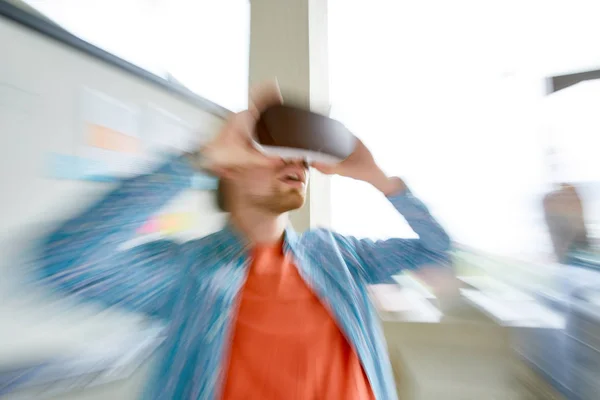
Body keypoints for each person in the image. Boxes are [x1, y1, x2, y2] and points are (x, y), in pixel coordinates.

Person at [36, 82, 451, 400]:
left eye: (302, 154)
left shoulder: (340, 256)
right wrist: (197, 159)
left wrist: (378, 178)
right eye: (277, 148)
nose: (298, 161)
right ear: (230, 167)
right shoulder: (186, 272)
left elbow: (438, 249)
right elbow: (67, 262)